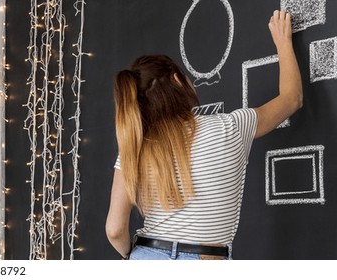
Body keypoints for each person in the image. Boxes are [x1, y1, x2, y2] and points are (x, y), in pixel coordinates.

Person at [105, 10, 302, 260]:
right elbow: (292, 99)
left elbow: (114, 230)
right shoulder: (230, 126)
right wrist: (283, 41)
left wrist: (133, 257)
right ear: (177, 81)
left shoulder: (134, 146)